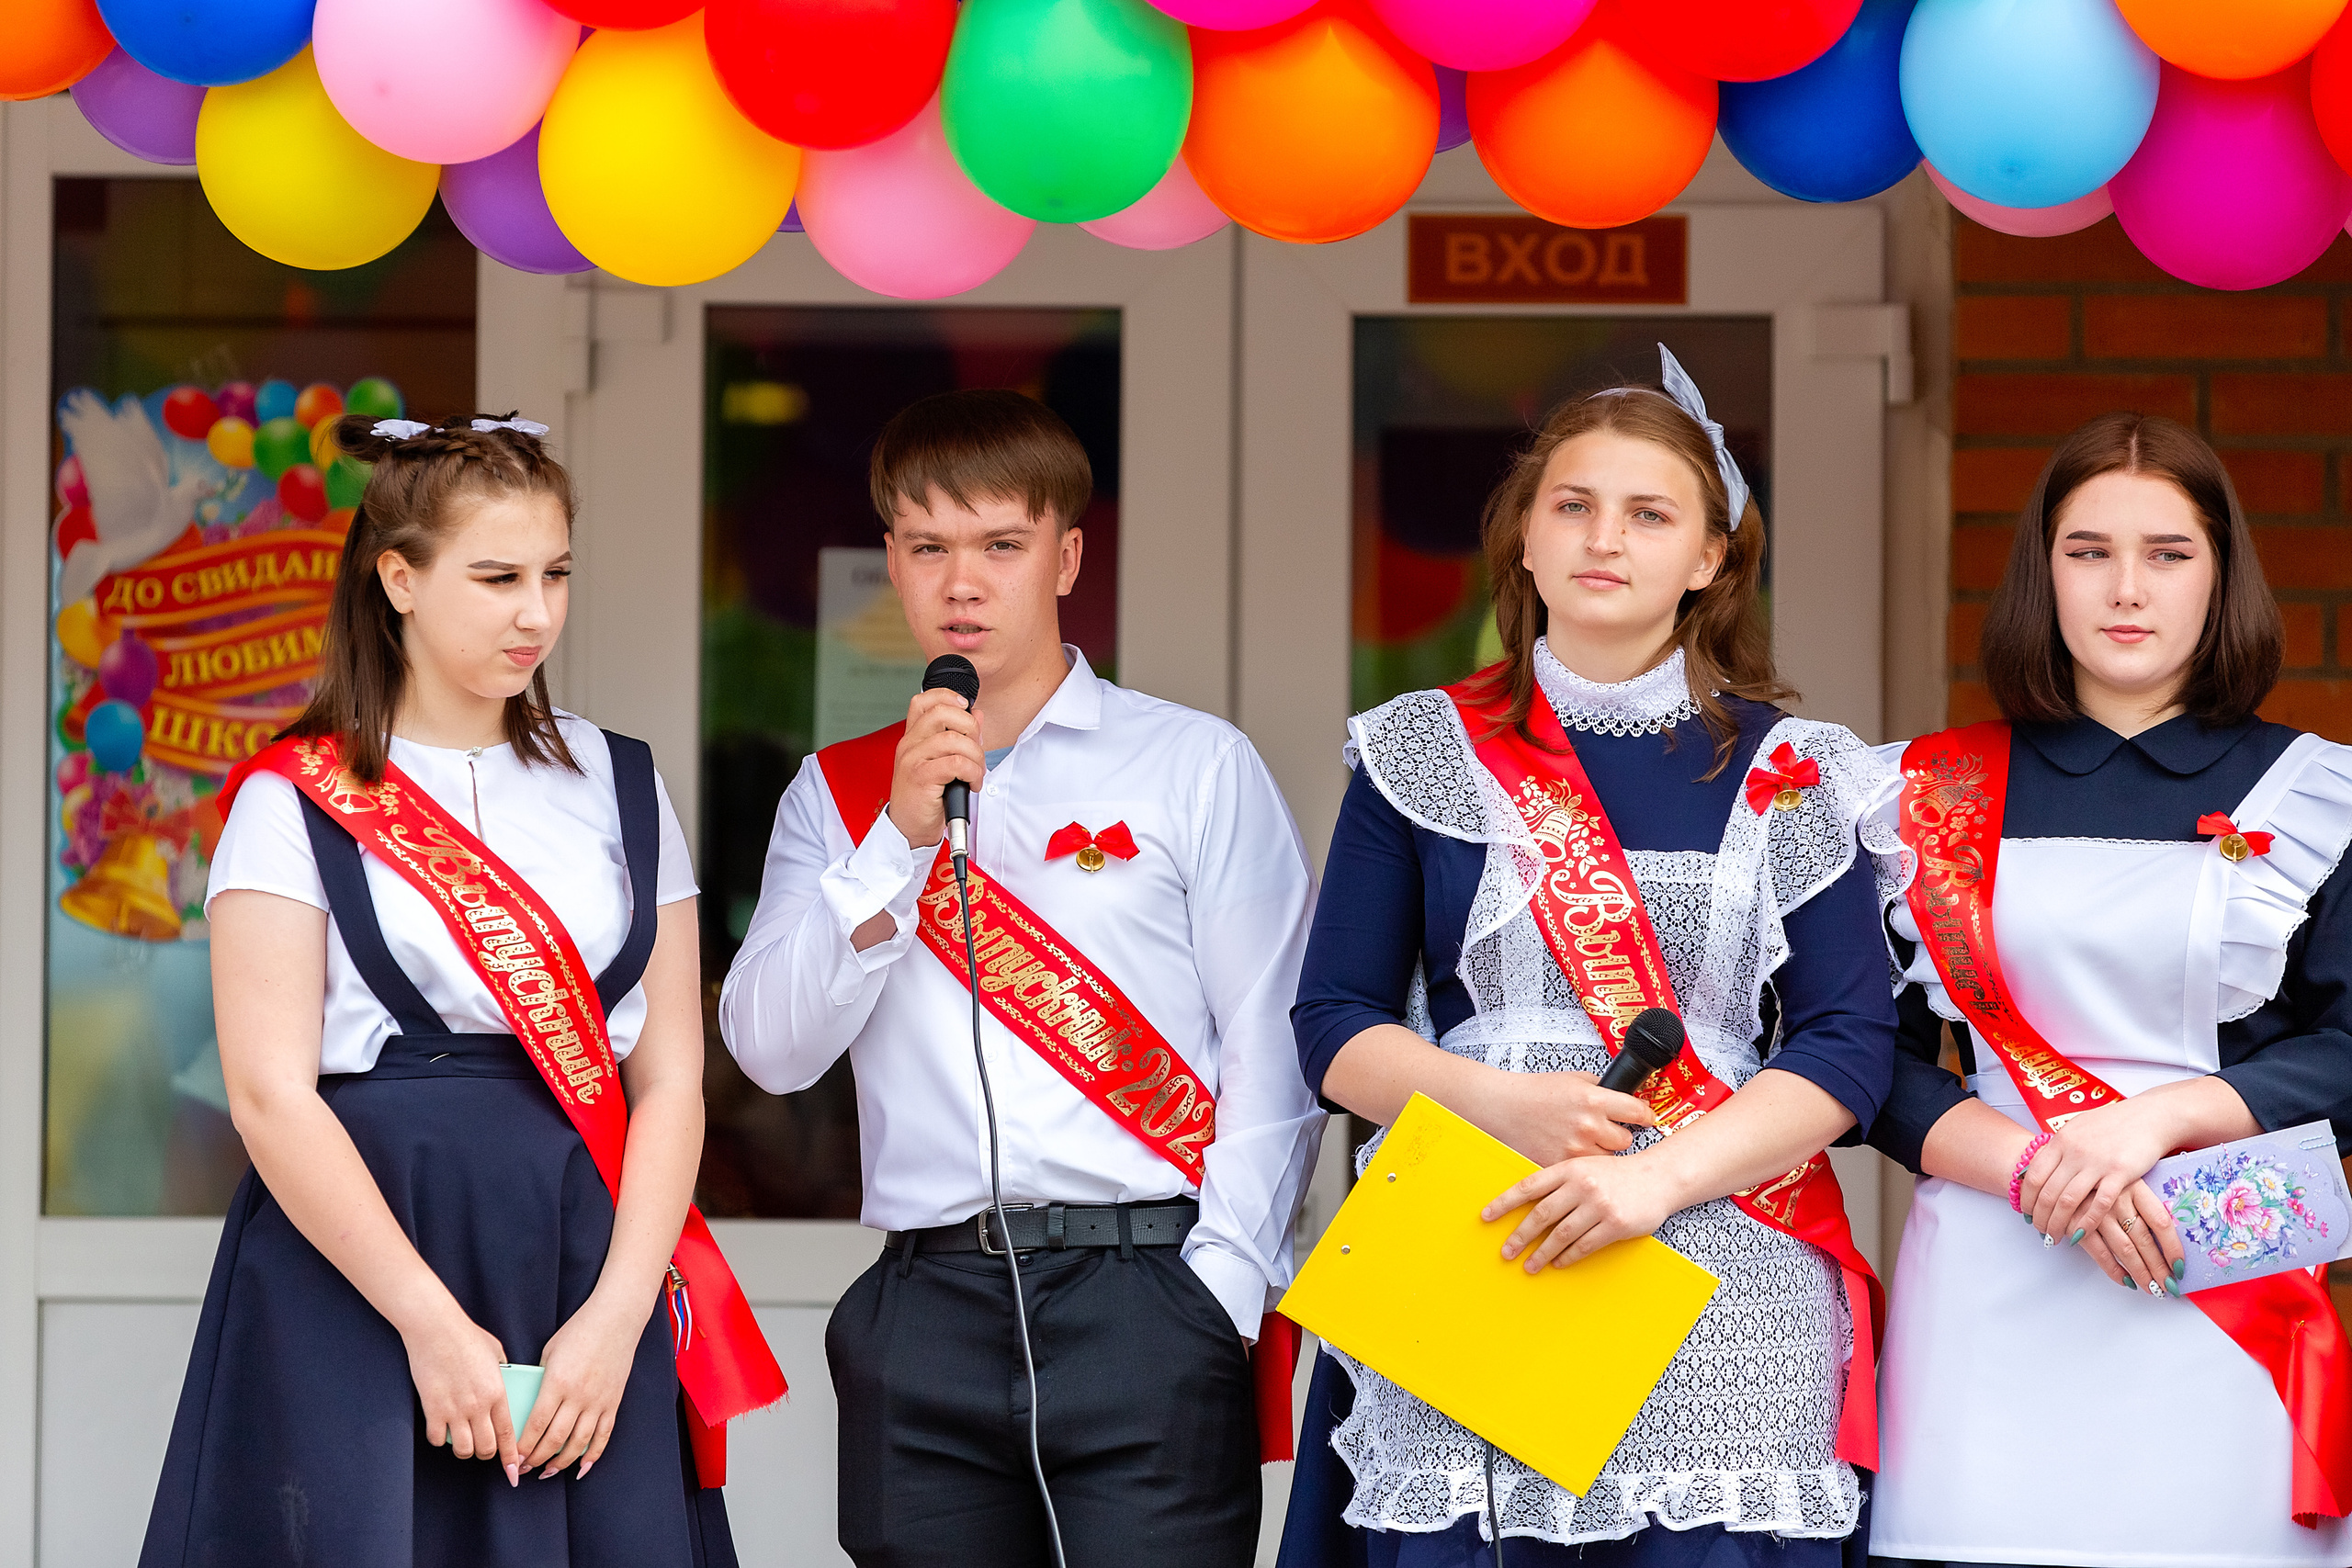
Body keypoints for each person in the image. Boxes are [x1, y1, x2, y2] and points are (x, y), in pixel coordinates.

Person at [1281, 346, 1903, 1567]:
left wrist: (1654, 1182)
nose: (1603, 537)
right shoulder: (1421, 747)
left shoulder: (1796, 770)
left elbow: (1847, 1046)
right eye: (1572, 504)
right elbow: (1333, 1026)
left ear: (1711, 557)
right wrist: (1499, 1101)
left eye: (1649, 513)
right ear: (1525, 538)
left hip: (1725, 1274)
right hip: (1480, 1233)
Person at [140, 413, 776, 1568]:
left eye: (555, 575)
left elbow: (672, 1079)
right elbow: (270, 1095)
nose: (536, 613)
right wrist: (428, 1324)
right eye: (496, 579)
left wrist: (618, 1317)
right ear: (399, 580)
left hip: (588, 1248)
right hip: (365, 1257)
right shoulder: (290, 800)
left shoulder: (622, 782)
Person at [718, 388, 1325, 1567]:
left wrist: (1219, 1292)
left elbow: (1275, 1046)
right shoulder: (838, 795)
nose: (963, 582)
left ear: (1066, 558)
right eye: (927, 547)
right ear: (891, 563)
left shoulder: (1191, 763)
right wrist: (894, 843)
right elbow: (769, 1050)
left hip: (1147, 1289)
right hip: (926, 1301)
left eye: (1001, 544)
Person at [1865, 412, 2352, 1568]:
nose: (2125, 588)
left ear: (2220, 575)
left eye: (2167, 553)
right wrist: (2031, 1166)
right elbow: (1858, 1056)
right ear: (2041, 573)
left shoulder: (2316, 791)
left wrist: (2153, 1121)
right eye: (2087, 551)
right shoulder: (1915, 793)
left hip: (2220, 1284)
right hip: (1987, 1278)